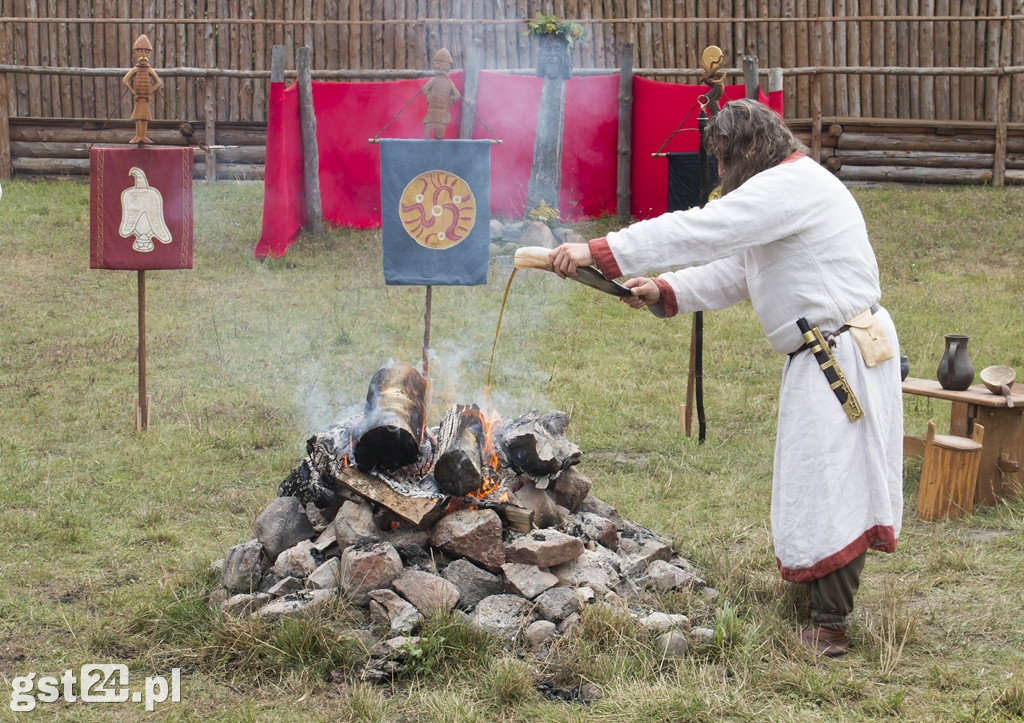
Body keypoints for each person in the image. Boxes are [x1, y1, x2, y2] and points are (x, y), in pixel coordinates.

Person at [549, 98, 903, 658]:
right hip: (828, 352)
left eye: (720, 158)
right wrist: (667, 290)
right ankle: (818, 602)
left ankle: (830, 626)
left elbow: (706, 230)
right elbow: (740, 269)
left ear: (744, 151)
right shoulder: (784, 192)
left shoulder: (790, 186)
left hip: (841, 353)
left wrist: (601, 250)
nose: (717, 172)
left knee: (837, 484)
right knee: (820, 478)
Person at [123, 34, 162, 145]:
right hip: (139, 96)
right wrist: (134, 92)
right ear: (136, 52)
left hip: (145, 97)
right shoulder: (136, 69)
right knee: (138, 116)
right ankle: (138, 135)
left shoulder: (149, 70)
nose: (143, 54)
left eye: (146, 51)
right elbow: (125, 80)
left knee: (144, 116)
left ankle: (143, 136)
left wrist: (149, 92)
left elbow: (158, 82)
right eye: (140, 51)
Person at [422, 48, 460, 139]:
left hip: (443, 112)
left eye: (445, 64)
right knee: (427, 133)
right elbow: (424, 89)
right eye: (439, 63)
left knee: (439, 135)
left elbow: (457, 95)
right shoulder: (434, 80)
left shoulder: (448, 82)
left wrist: (450, 101)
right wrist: (428, 95)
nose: (442, 67)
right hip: (432, 110)